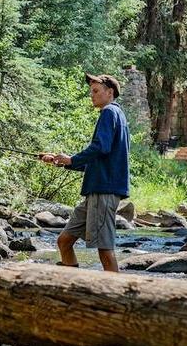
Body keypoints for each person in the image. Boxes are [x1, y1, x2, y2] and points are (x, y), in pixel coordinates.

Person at [41, 73, 130, 272]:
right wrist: (62, 162)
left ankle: (115, 296)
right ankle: (70, 284)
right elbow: (99, 158)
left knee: (105, 250)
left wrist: (72, 159)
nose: (92, 95)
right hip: (96, 192)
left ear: (110, 92)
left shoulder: (109, 112)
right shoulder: (117, 115)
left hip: (104, 192)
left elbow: (100, 147)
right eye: (91, 91)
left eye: (96, 91)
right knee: (64, 240)